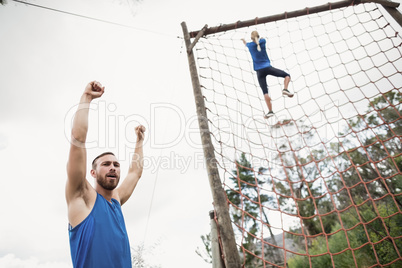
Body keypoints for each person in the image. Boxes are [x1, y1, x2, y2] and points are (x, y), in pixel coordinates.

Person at [66, 81, 146, 268]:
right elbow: (78, 139)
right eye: (106, 164)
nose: (113, 168)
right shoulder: (82, 197)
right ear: (92, 172)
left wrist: (139, 141)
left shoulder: (116, 200)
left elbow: (135, 173)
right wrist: (86, 98)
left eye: (116, 165)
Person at [242, 31, 293, 118]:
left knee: (265, 92)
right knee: (287, 75)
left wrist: (243, 40)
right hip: (268, 68)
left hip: (259, 72)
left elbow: (246, 43)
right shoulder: (263, 41)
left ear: (251, 38)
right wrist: (260, 38)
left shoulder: (250, 46)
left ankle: (270, 111)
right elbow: (262, 39)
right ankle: (285, 89)